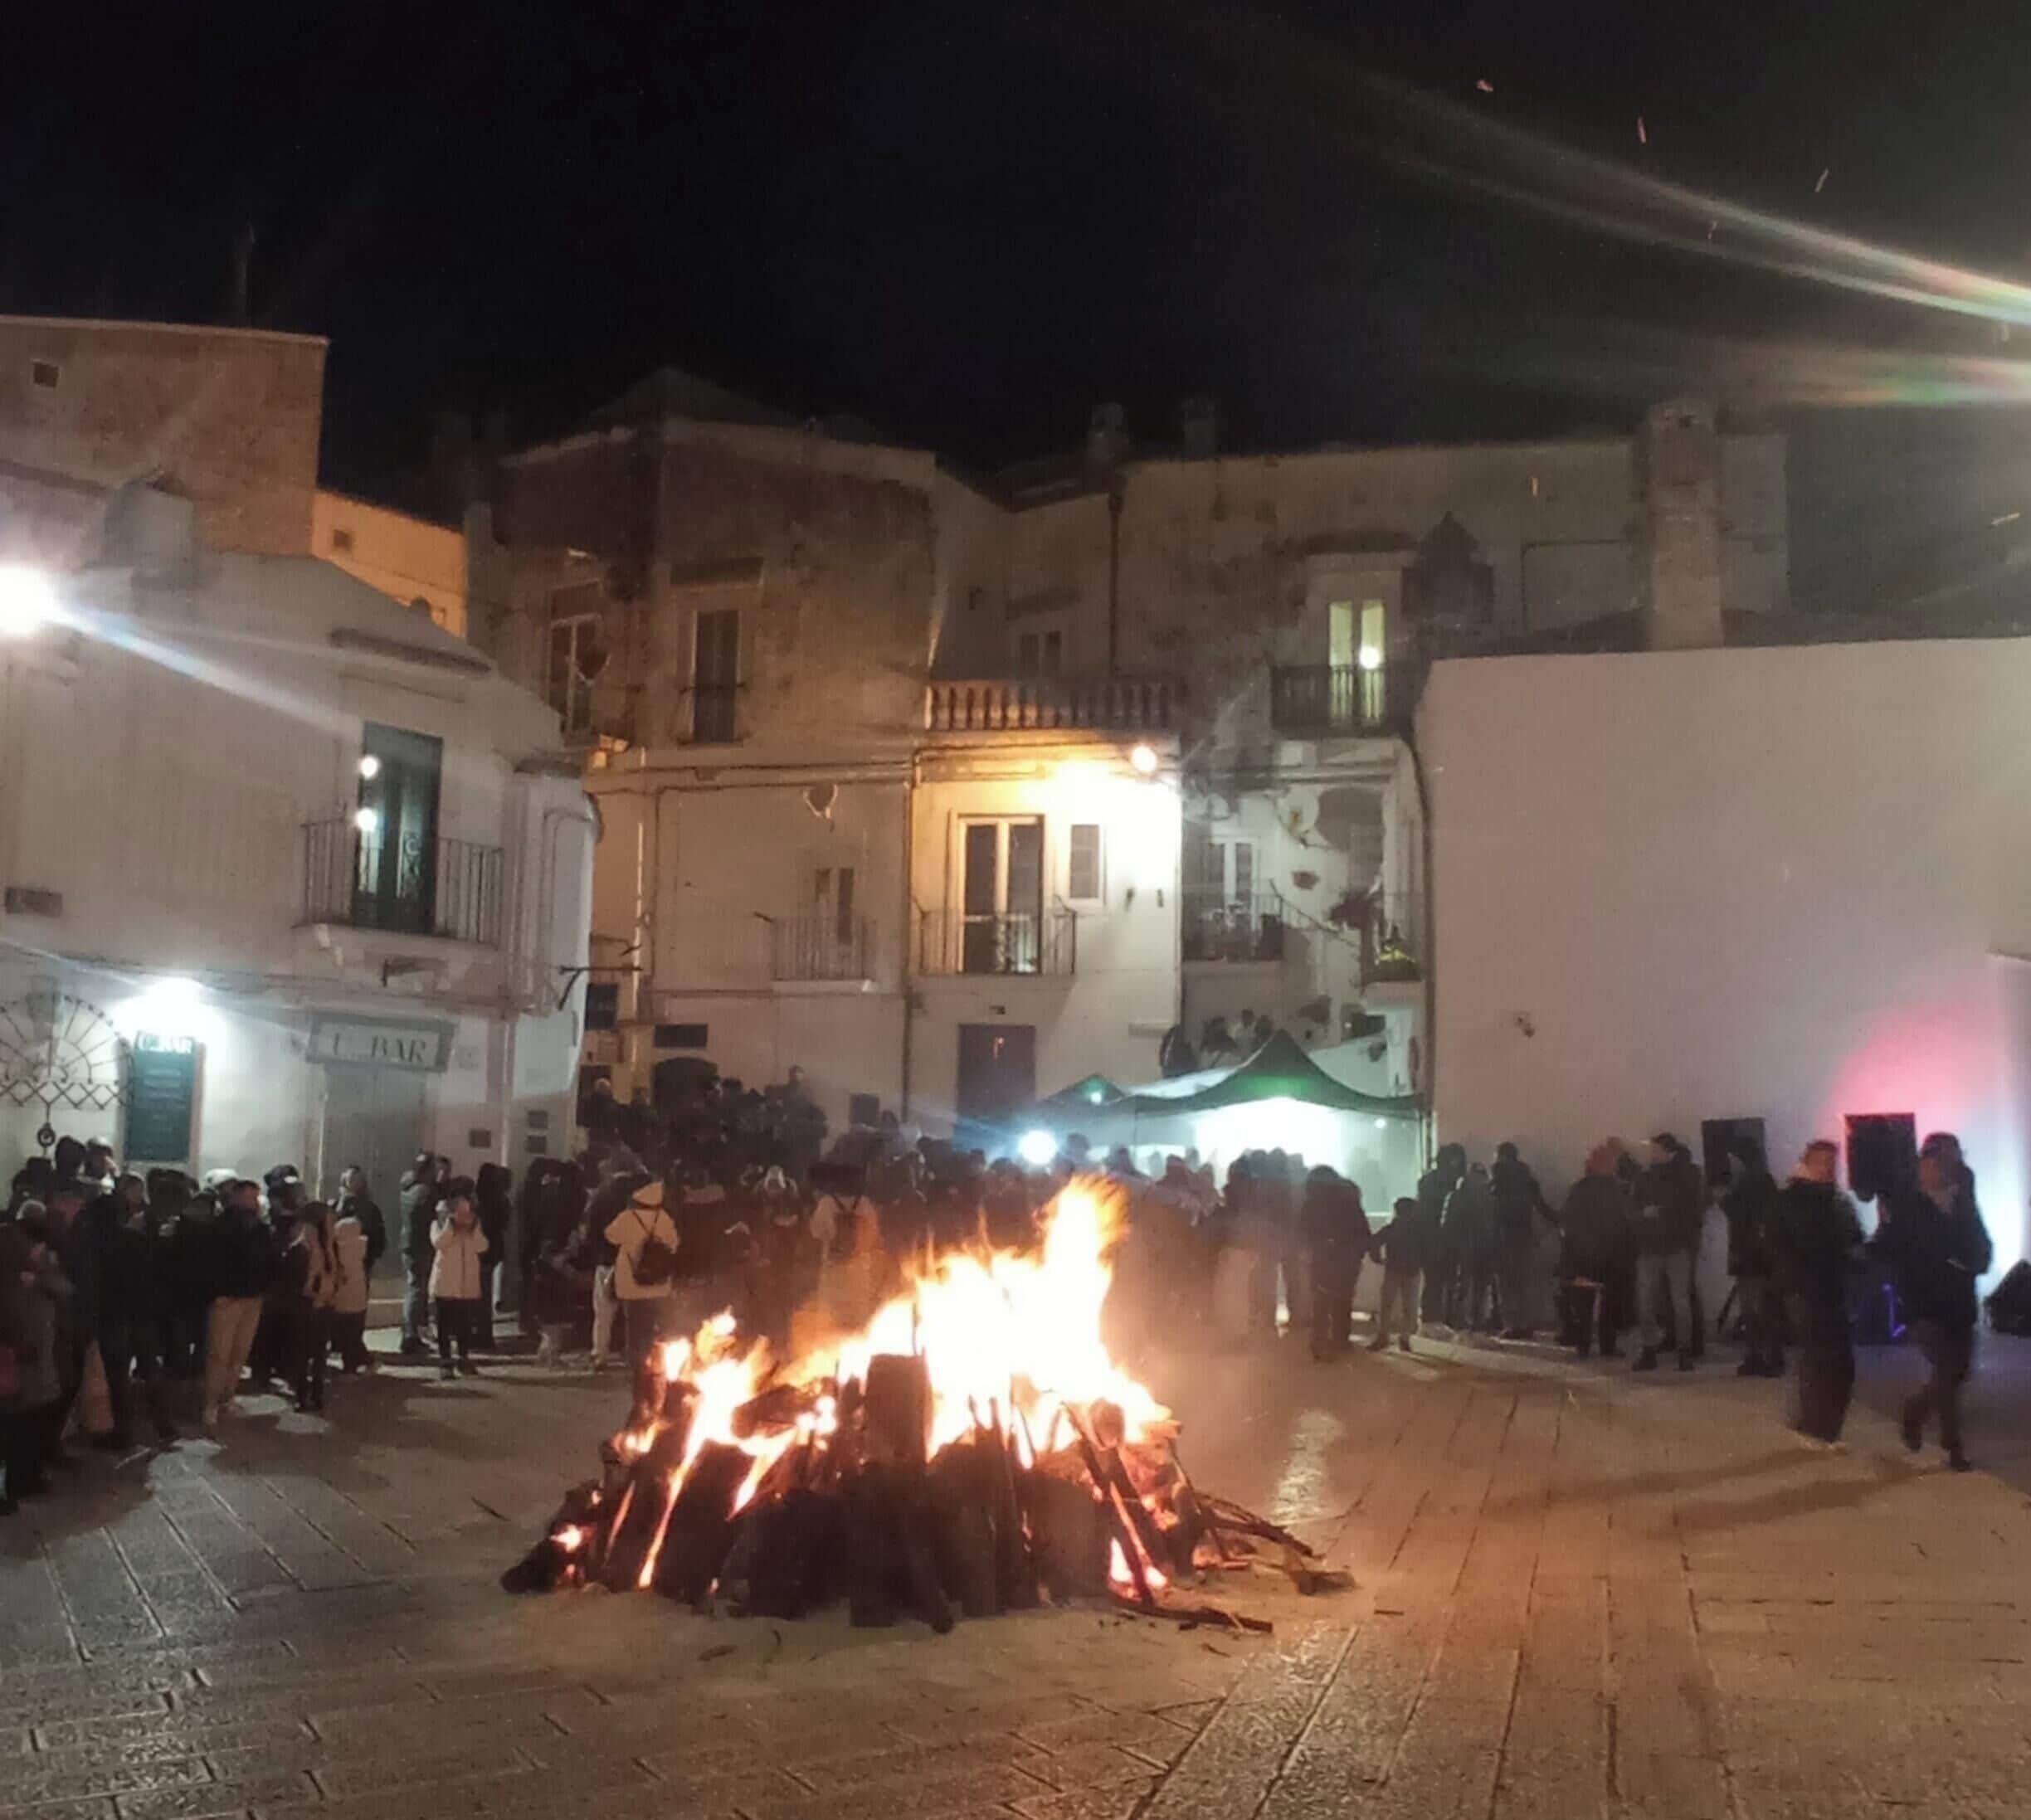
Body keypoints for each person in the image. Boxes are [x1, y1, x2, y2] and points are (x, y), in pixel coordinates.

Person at [1872, 1150, 1991, 1471]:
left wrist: (1972, 1263)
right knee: (1948, 1371)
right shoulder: (1910, 1208)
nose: (1930, 1172)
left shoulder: (1962, 1204)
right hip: (1925, 1304)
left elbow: (1981, 1247)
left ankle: (1916, 1412)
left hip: (1959, 1302)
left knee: (1956, 1372)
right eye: (1925, 1166)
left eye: (1936, 1166)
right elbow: (1890, 1247)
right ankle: (1952, 1447)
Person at [1773, 1140, 1865, 1448]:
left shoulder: (1838, 1202)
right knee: (1815, 1358)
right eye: (1822, 1162)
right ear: (1807, 1163)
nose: (1828, 1168)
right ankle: (1814, 1427)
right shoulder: (1792, 1200)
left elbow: (1853, 1242)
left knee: (1837, 1363)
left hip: (1834, 1289)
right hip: (1805, 1289)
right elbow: (1780, 1244)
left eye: (1832, 1163)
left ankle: (1825, 1427)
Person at [1, 1213, 71, 1506]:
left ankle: (26, 1476)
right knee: (19, 1422)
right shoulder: (16, 1266)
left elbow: (63, 1290)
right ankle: (21, 1479)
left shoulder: (31, 1269)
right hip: (18, 1356)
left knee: (27, 1419)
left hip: (31, 1354)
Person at [201, 1176, 276, 1435]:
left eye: (256, 1197)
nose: (254, 1202)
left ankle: (227, 1397)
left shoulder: (260, 1228)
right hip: (227, 1298)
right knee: (219, 1353)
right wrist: (217, 1292)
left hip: (252, 1297)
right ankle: (210, 1403)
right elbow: (211, 1262)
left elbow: (268, 1258)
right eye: (249, 1197)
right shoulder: (220, 1227)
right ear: (235, 1198)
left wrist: (263, 1288)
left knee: (239, 1352)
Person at [1631, 1133, 1705, 1371]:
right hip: (1668, 1246)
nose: (1651, 1153)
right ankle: (1679, 1351)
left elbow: (1692, 1209)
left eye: (1655, 1149)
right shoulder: (1681, 1177)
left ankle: (1660, 1349)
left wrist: (1650, 1215)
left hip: (1665, 1246)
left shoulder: (1669, 1177)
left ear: (1667, 1151)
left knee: (1659, 1300)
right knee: (1669, 1300)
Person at [1558, 1146, 1631, 1360]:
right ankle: (1607, 1346)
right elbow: (1624, 1221)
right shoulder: (1616, 1189)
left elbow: (1567, 1220)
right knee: (1609, 1303)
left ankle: (1583, 1347)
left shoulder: (1580, 1189)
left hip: (1585, 1256)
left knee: (1584, 1305)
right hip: (1610, 1255)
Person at [1721, 1137, 1784, 1377]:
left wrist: (1725, 1200)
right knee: (1760, 1308)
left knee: (1755, 1309)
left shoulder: (1745, 1183)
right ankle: (1766, 1356)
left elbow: (1738, 1214)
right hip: (1760, 1254)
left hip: (1751, 1255)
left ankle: (1761, 1357)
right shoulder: (1763, 1181)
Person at [602, 1176, 678, 1364]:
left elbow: (610, 1236)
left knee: (634, 1323)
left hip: (631, 1281)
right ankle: (653, 1357)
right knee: (654, 1321)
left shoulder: (628, 1217)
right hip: (659, 1282)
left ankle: (636, 1359)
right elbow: (674, 1245)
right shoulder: (664, 1218)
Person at [285, 1201, 340, 1413]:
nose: (332, 1221)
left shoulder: (329, 1246)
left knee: (319, 1353)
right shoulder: (301, 1249)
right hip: (306, 1307)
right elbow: (295, 1284)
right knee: (302, 1353)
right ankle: (301, 1394)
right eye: (328, 1218)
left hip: (325, 1304)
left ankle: (317, 1394)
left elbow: (335, 1271)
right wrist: (313, 1294)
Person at [429, 1194, 489, 1379]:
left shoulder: (473, 1227)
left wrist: (474, 1230)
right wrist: (450, 1227)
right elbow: (439, 1243)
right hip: (445, 1283)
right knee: (444, 1325)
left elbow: (482, 1247)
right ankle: (445, 1360)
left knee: (464, 1325)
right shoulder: (437, 1225)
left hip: (466, 1286)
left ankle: (464, 1358)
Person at [1490, 1142, 1546, 1339]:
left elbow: (1493, 1208)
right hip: (1524, 1235)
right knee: (1523, 1283)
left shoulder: (1498, 1175)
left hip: (1504, 1235)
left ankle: (1511, 1325)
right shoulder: (1528, 1179)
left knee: (1505, 1283)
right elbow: (1540, 1205)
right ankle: (1525, 1324)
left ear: (1501, 1156)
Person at [1444, 1161, 1499, 1331]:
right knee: (1478, 1286)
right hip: (1482, 1246)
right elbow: (1495, 1223)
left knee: (1463, 1284)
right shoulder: (1490, 1196)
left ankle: (1458, 1319)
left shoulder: (1456, 1195)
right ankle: (1475, 1320)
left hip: (1464, 1246)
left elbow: (1447, 1223)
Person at [1367, 1196, 1425, 1353]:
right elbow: (1428, 1249)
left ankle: (1383, 1336)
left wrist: (1378, 1259)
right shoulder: (1419, 1230)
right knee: (1410, 1307)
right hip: (1412, 1271)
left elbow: (1374, 1242)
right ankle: (1405, 1338)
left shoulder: (1392, 1228)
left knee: (1386, 1305)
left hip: (1393, 1270)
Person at [1416, 1145, 1466, 1326]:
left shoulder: (1427, 1181)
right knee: (1446, 1281)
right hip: (1447, 1239)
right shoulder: (1458, 1182)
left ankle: (1432, 1318)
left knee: (1435, 1282)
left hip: (1433, 1239)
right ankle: (1443, 1318)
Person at [398, 1156, 442, 1357]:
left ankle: (411, 1332)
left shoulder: (407, 1189)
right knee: (417, 1290)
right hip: (419, 1245)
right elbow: (430, 1220)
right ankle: (410, 1335)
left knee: (413, 1287)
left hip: (408, 1243)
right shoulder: (424, 1193)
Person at [330, 1197, 373, 1374]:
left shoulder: (335, 1248)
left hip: (340, 1298)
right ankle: (353, 1365)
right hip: (358, 1298)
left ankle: (351, 1362)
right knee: (354, 1334)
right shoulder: (361, 1246)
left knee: (342, 1332)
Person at [473, 1164, 513, 1350]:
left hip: (479, 1250)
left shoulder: (477, 1200)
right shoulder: (500, 1199)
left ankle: (480, 1333)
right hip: (493, 1249)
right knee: (485, 1292)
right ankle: (484, 1333)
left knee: (478, 1293)